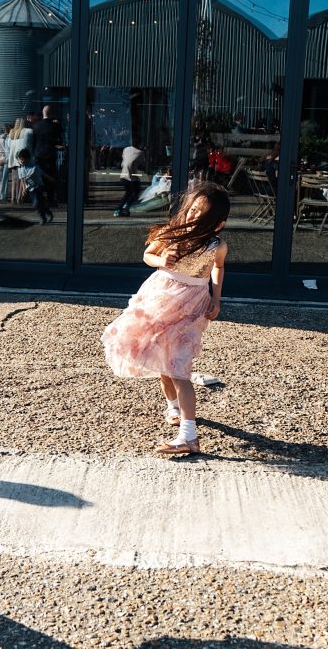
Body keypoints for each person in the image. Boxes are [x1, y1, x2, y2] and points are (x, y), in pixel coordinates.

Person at [101, 182, 230, 455]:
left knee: (179, 367)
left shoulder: (216, 245)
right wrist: (162, 261)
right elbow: (148, 254)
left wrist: (216, 297)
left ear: (217, 224)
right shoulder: (172, 233)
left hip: (190, 307)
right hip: (159, 299)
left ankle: (189, 435)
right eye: (193, 210)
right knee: (162, 360)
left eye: (202, 215)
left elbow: (218, 268)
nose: (194, 217)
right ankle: (172, 408)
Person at [32, 104, 63, 206]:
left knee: (39, 178)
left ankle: (39, 200)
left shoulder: (36, 126)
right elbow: (60, 138)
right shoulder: (55, 126)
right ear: (51, 114)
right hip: (50, 155)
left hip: (38, 155)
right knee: (50, 178)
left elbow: (34, 142)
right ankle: (50, 199)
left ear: (43, 113)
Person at [16, 148, 53, 224]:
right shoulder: (20, 169)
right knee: (39, 203)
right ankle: (48, 213)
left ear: (28, 159)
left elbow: (43, 173)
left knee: (36, 203)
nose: (21, 161)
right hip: (30, 189)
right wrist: (23, 190)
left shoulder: (34, 167)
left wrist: (50, 178)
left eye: (23, 159)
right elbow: (22, 180)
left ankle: (42, 218)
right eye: (20, 159)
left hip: (39, 187)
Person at [114, 141, 143, 216]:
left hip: (123, 175)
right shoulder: (140, 152)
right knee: (135, 192)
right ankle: (123, 207)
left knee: (128, 192)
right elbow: (142, 164)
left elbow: (125, 160)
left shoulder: (126, 149)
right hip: (131, 177)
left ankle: (120, 209)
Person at [8, 117, 33, 204]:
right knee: (22, 179)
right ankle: (19, 199)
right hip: (22, 157)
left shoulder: (12, 132)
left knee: (14, 180)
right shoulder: (28, 131)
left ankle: (12, 198)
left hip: (13, 159)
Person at [0, 128, 10, 203]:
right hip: (5, 156)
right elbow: (7, 149)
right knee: (4, 177)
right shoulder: (7, 138)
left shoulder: (0, 138)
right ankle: (3, 196)